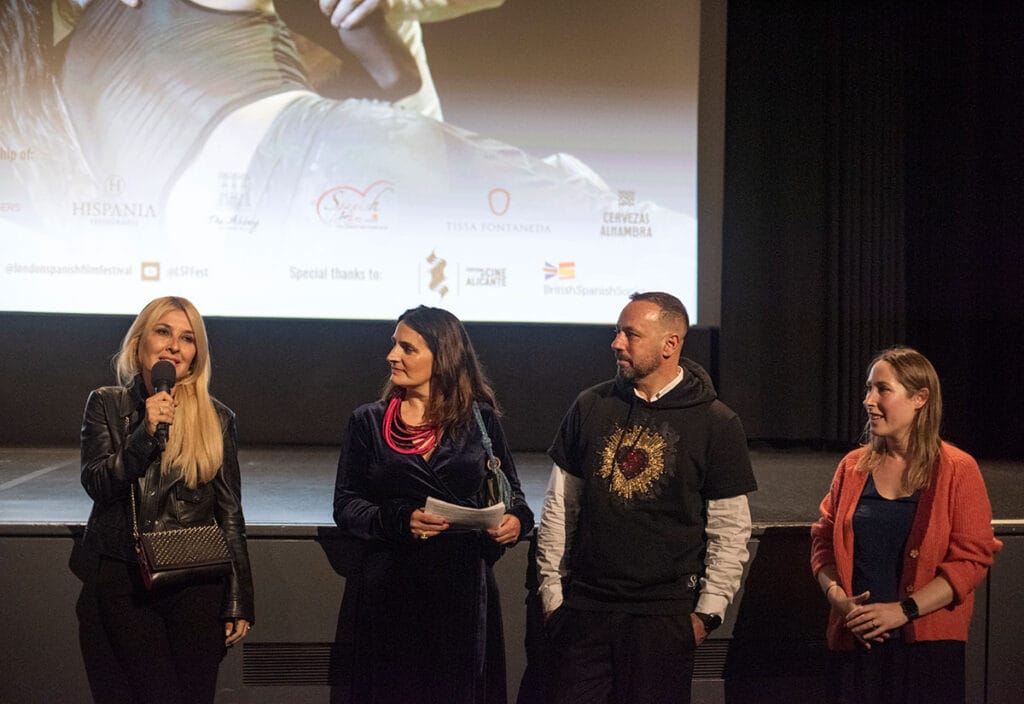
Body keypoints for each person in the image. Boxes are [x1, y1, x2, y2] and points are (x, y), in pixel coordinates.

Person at [535, 291, 758, 704]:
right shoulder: (591, 406)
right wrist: (553, 597)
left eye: (630, 334)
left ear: (670, 344)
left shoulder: (717, 423)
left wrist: (707, 614)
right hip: (587, 611)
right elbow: (559, 507)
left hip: (664, 618)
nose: (617, 343)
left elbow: (730, 528)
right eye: (617, 332)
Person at [333, 304, 535, 704]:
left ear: (442, 357)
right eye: (394, 345)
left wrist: (514, 522)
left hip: (462, 598)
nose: (392, 356)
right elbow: (346, 505)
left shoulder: (481, 421)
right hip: (391, 593)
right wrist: (398, 519)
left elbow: (517, 500)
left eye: (407, 348)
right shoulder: (369, 422)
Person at [79, 295, 254, 704]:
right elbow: (99, 484)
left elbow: (230, 512)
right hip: (127, 578)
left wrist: (238, 596)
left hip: (197, 581)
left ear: (196, 354)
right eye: (163, 332)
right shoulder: (107, 404)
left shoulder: (218, 417)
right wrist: (145, 432)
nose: (175, 345)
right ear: (140, 342)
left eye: (188, 338)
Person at [810, 347, 1001, 704]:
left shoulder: (958, 469)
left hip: (925, 653)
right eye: (868, 388)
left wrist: (902, 611)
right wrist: (841, 602)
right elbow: (823, 540)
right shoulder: (853, 467)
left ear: (919, 398)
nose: (869, 400)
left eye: (883, 389)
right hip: (856, 644)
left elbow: (971, 562)